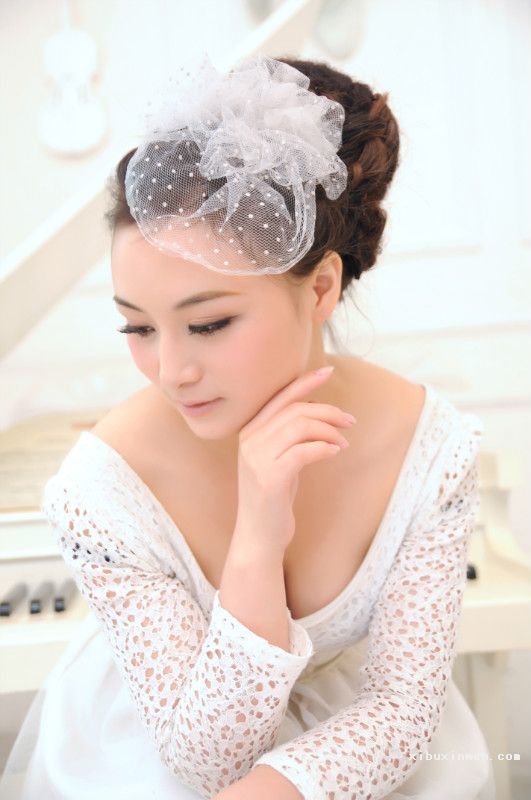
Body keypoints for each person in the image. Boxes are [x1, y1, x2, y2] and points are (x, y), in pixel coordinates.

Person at [1, 54, 496, 799]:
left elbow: (402, 709)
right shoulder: (100, 491)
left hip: (353, 751)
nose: (171, 371)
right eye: (138, 328)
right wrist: (259, 531)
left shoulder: (428, 449)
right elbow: (206, 762)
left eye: (208, 324)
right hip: (164, 752)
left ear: (320, 288)